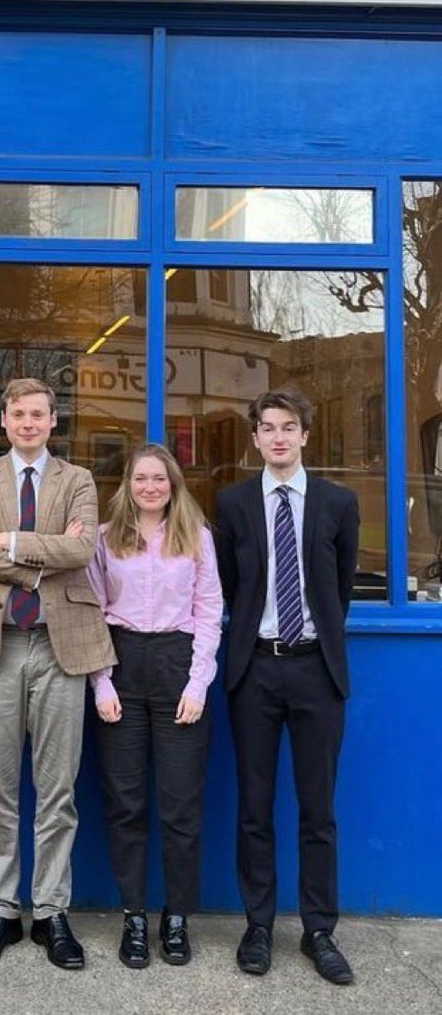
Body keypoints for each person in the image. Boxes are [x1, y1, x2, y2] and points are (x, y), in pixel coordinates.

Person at [0, 378, 115, 971]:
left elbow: (83, 551)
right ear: (3, 421)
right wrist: (36, 563)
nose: (27, 423)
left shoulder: (78, 480)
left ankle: (50, 912)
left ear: (54, 421)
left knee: (57, 789)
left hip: (59, 645)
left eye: (38, 414)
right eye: (17, 414)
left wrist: (12, 541)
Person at [214, 389, 359, 986]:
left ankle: (319, 930)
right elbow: (229, 583)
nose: (278, 436)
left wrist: (314, 644)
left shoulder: (337, 502)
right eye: (267, 427)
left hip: (315, 669)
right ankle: (259, 925)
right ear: (255, 439)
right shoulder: (233, 502)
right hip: (255, 669)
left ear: (304, 436)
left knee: (317, 809)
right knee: (253, 806)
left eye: (289, 427)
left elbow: (341, 586)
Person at [87, 443, 222, 970]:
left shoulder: (197, 538)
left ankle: (177, 917)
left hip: (176, 664)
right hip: (121, 663)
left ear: (173, 485)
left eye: (159, 479)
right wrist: (101, 682)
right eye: (141, 478)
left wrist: (197, 684)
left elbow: (209, 611)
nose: (150, 487)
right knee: (125, 803)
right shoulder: (105, 539)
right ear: (128, 483)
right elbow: (93, 612)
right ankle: (135, 917)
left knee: (180, 805)